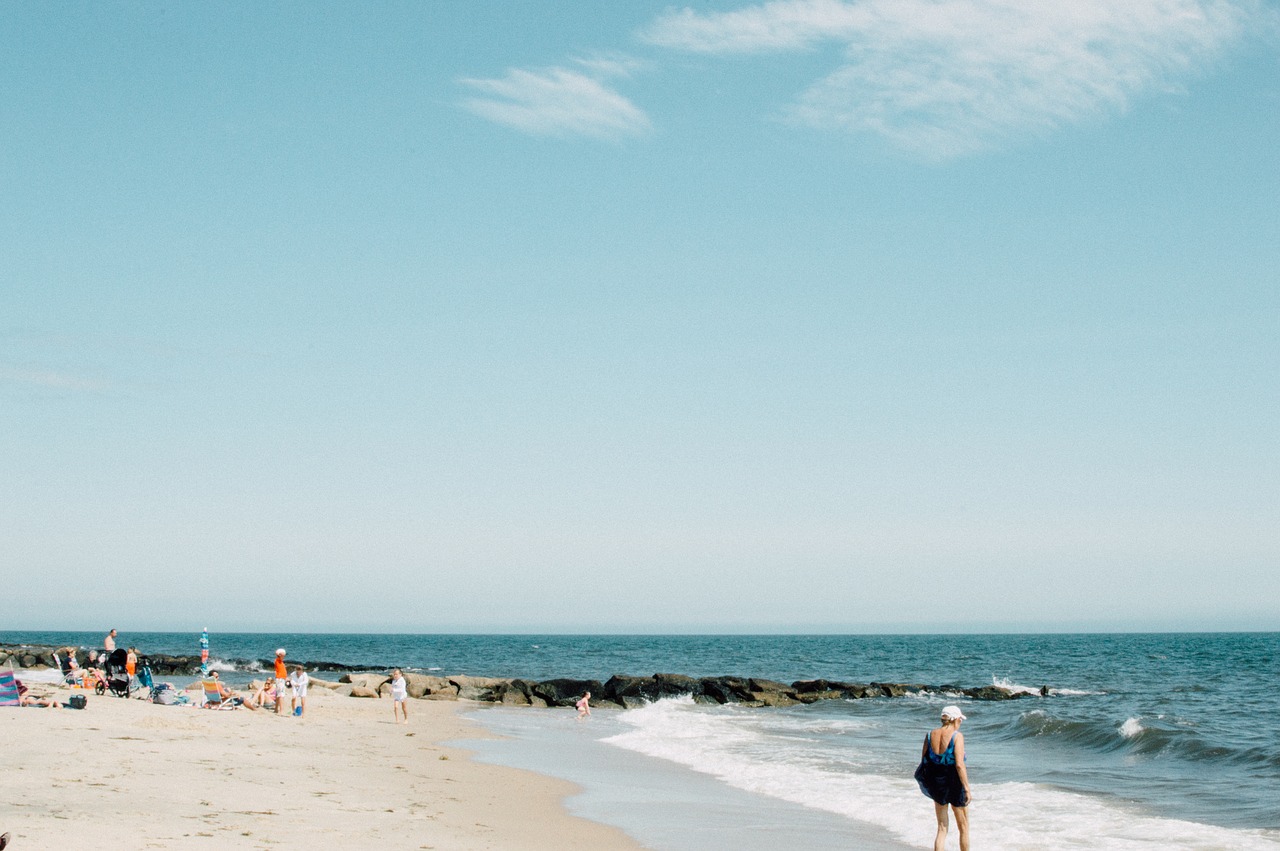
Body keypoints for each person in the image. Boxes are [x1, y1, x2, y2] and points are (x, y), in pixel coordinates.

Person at [916, 705, 971, 851]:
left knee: (941, 827)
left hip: (937, 782)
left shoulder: (930, 734)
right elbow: (959, 765)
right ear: (954, 719)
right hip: (954, 781)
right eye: (960, 719)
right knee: (964, 826)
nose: (961, 722)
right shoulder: (957, 736)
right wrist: (967, 788)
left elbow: (924, 761)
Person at [273, 649, 289, 715]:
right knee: (281, 695)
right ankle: (281, 711)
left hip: (281, 679)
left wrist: (286, 678)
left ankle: (276, 709)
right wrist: (280, 653)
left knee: (278, 694)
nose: (283, 657)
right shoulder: (277, 660)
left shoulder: (281, 662)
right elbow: (279, 655)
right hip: (280, 679)